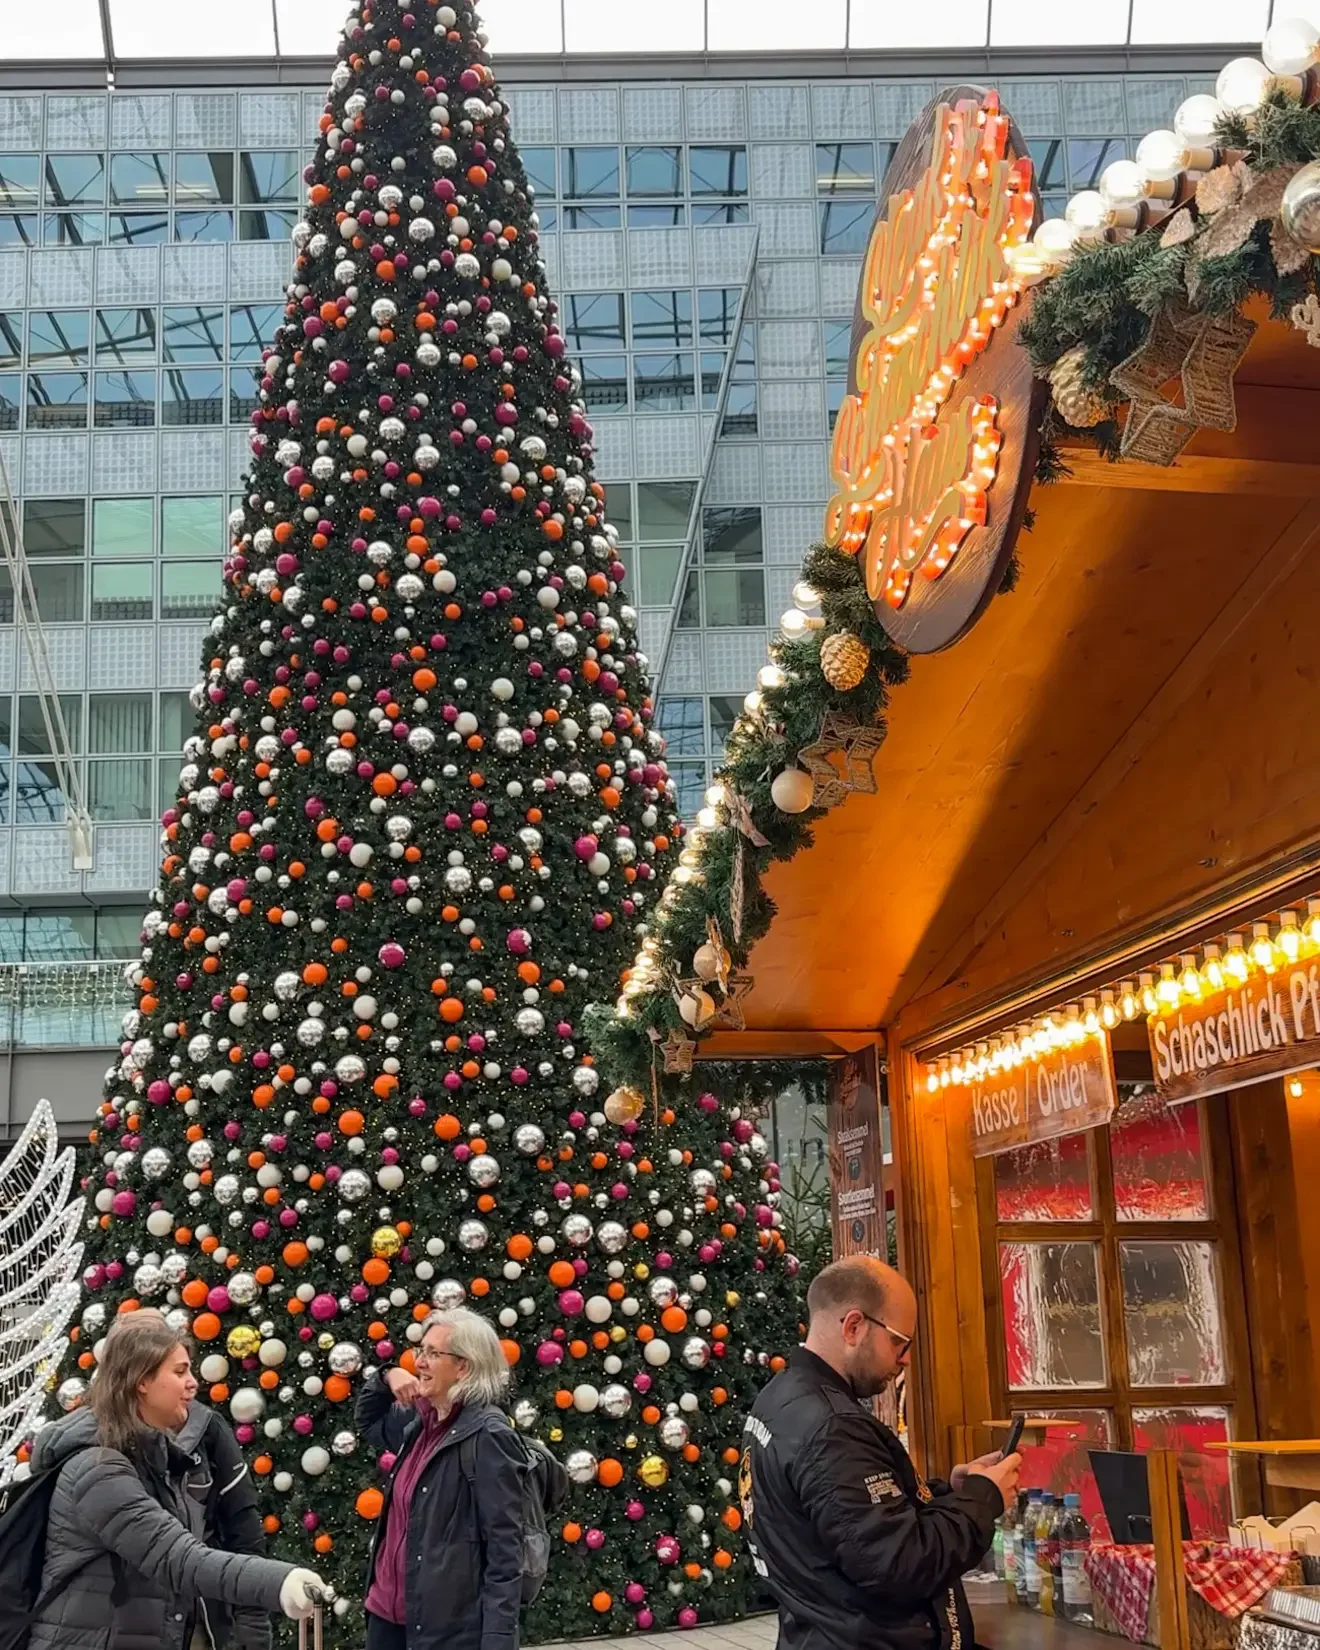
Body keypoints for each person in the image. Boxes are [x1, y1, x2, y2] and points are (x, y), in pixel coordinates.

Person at [741, 1255, 1022, 1650]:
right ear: (854, 1326)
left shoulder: (780, 1396)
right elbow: (900, 1565)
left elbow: (848, 1518)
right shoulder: (833, 1426)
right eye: (898, 1341)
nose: (905, 1359)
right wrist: (982, 1500)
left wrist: (949, 1492)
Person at [27, 1308, 328, 1650]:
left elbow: (233, 1532)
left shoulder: (151, 1457)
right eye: (179, 1371)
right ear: (141, 1380)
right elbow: (178, 1558)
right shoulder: (98, 1469)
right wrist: (279, 1582)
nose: (193, 1382)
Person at [357, 1306, 527, 1650]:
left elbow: (505, 1551)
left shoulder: (488, 1436)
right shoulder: (419, 1423)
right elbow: (367, 1423)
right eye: (421, 1350)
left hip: (443, 1633)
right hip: (386, 1620)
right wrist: (387, 1376)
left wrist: (497, 1639)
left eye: (433, 1353)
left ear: (463, 1365)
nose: (419, 1361)